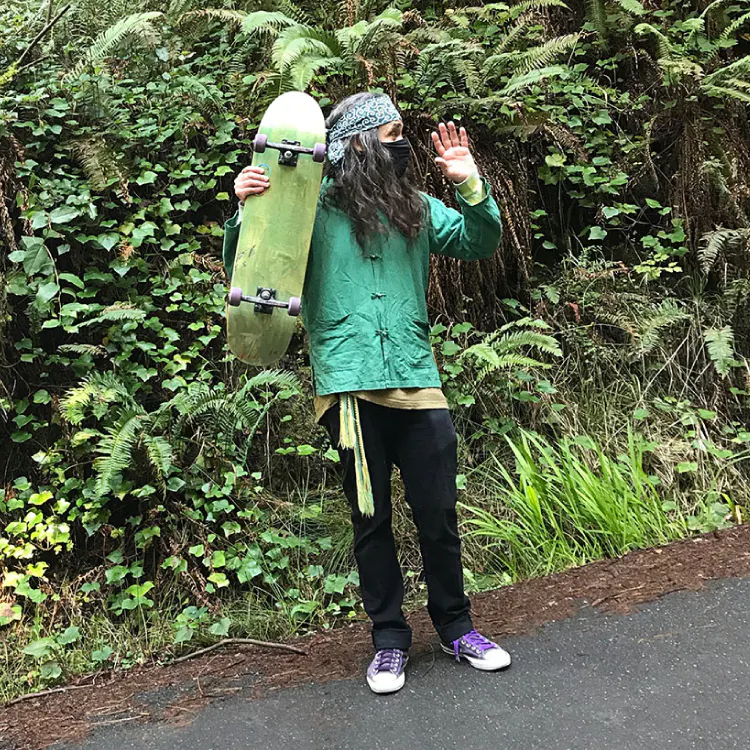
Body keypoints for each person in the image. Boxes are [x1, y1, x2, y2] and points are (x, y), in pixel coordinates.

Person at [222, 92, 511, 695]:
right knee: (370, 520)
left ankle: (457, 629)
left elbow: (480, 241)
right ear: (357, 142)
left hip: (417, 379)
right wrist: (248, 211)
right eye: (391, 134)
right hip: (349, 385)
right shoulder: (310, 210)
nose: (403, 145)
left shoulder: (416, 207)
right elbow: (252, 271)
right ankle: (389, 641)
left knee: (438, 513)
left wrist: (469, 183)